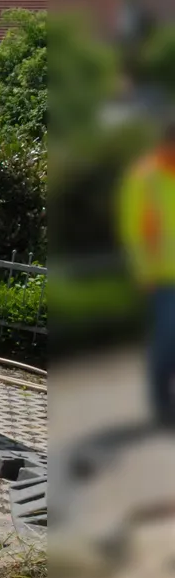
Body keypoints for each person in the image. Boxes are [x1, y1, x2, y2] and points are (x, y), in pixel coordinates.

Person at [117, 118, 175, 426]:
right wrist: (143, 273)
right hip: (162, 277)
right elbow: (133, 229)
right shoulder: (146, 177)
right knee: (166, 339)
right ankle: (160, 403)